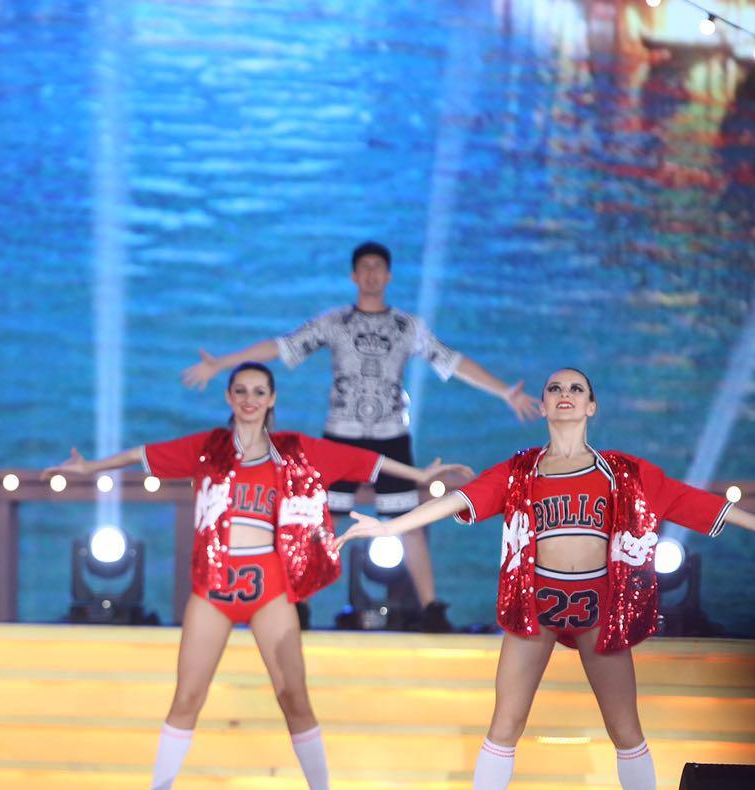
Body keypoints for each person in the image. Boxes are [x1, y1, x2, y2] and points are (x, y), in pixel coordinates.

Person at [338, 368, 755, 790]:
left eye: (576, 389)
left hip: (599, 604)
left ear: (591, 407)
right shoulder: (521, 471)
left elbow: (684, 500)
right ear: (542, 406)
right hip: (536, 603)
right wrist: (389, 525)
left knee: (625, 728)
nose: (564, 395)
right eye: (554, 389)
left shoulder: (622, 472)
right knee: (505, 721)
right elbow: (458, 499)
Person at [49, 362, 470, 790]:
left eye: (259, 391)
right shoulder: (209, 448)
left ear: (272, 399)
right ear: (229, 397)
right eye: (241, 391)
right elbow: (142, 455)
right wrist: (89, 468)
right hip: (214, 586)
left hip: (270, 588)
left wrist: (420, 474)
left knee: (294, 696)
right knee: (187, 696)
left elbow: (363, 463)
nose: (250, 399)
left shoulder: (295, 450)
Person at [183, 241, 542, 632]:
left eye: (378, 267)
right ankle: (296, 603)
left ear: (388, 276)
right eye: (364, 268)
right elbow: (282, 346)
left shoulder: (407, 327)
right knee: (319, 520)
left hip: (392, 436)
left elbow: (452, 361)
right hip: (341, 436)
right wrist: (222, 363)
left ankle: (431, 608)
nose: (371, 274)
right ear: (354, 276)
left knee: (407, 522)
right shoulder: (334, 322)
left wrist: (506, 392)